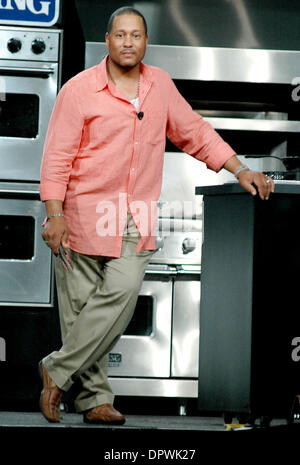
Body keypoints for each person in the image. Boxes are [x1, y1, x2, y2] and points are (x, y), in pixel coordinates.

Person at [38, 6, 275, 424]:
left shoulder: (159, 86)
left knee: (119, 299)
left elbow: (195, 133)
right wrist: (53, 213)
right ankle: (94, 400)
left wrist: (240, 168)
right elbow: (57, 156)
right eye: (120, 35)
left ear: (145, 43)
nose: (128, 42)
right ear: (108, 41)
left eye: (137, 36)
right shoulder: (78, 90)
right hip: (80, 214)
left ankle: (55, 370)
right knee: (79, 311)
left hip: (134, 214)